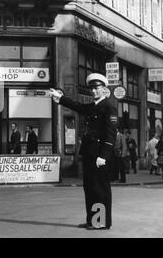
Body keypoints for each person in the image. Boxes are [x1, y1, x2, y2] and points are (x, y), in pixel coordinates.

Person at [49, 73, 117, 230]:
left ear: (104, 89)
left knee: (100, 189)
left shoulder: (109, 107)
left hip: (99, 155)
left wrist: (104, 156)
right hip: (89, 153)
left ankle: (100, 222)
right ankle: (92, 220)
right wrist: (60, 98)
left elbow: (110, 134)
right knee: (90, 188)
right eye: (91, 88)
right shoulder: (93, 106)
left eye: (97, 88)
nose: (93, 91)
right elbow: (77, 106)